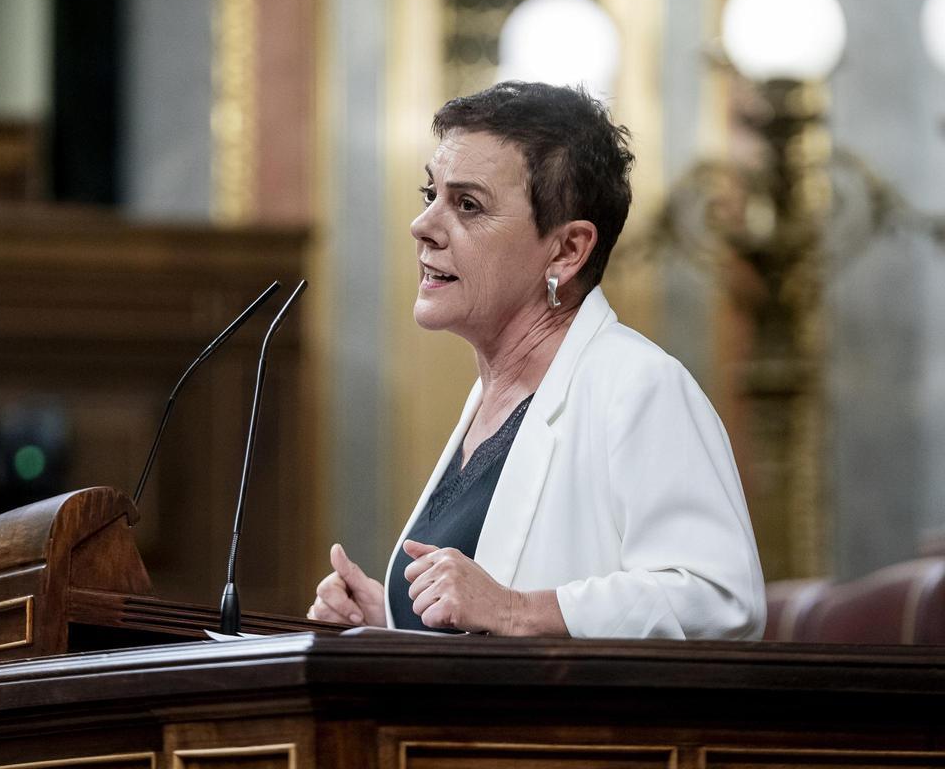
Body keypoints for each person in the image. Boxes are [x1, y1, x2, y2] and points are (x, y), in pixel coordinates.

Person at [307, 81, 765, 639]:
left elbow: (720, 600)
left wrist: (515, 610)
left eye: (467, 204)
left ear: (567, 250)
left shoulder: (639, 385)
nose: (422, 226)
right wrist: (394, 619)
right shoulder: (491, 400)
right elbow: (493, 601)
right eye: (430, 194)